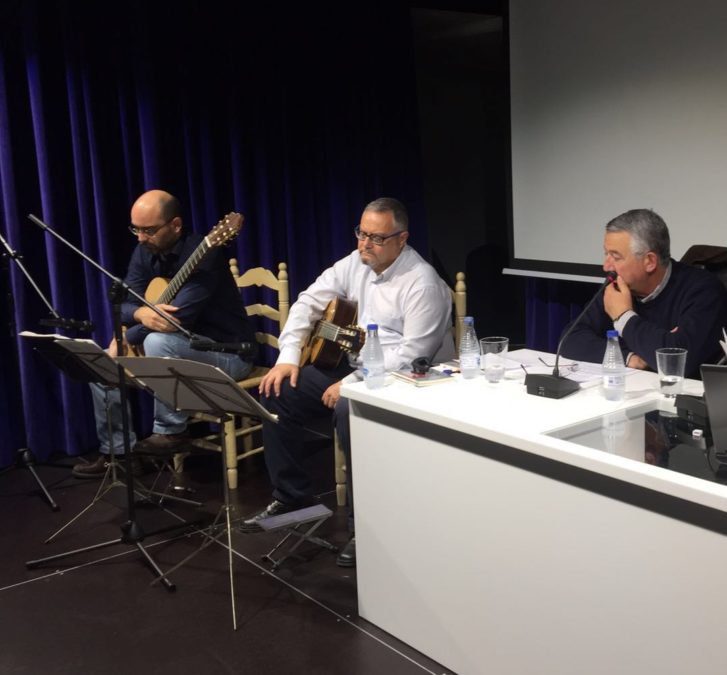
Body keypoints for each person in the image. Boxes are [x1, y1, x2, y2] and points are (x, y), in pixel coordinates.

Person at [240, 197, 453, 568]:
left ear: (402, 239)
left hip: (411, 378)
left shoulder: (422, 282)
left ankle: (364, 529)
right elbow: (308, 302)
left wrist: (352, 383)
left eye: (376, 238)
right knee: (278, 392)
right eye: (361, 233)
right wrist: (288, 356)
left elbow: (412, 352)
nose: (364, 244)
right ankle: (293, 498)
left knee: (346, 410)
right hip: (353, 366)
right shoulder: (356, 263)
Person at [72, 190, 254, 478]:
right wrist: (141, 314)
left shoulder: (207, 255)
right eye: (136, 229)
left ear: (176, 225)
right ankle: (120, 454)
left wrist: (130, 335)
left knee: (158, 339)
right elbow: (125, 303)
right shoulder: (144, 251)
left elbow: (173, 321)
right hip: (176, 351)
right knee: (102, 368)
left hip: (228, 353)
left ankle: (171, 431)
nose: (140, 238)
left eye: (149, 230)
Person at [560, 209, 727, 378]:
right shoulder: (617, 287)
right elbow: (570, 340)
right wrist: (628, 357)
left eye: (616, 256)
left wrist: (623, 317)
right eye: (606, 254)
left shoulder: (703, 290)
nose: (606, 266)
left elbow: (677, 363)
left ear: (650, 261)